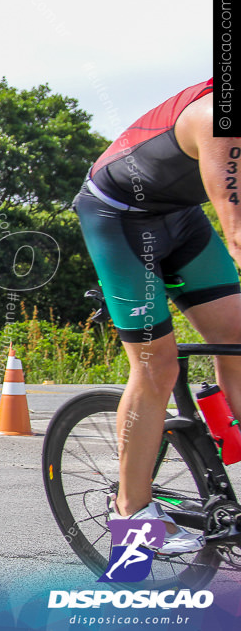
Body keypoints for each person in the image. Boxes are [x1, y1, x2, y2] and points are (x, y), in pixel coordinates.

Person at [74, 77, 241, 553]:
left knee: (235, 337)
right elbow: (238, 236)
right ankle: (131, 513)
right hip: (117, 220)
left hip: (179, 217)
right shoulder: (216, 121)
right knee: (156, 367)